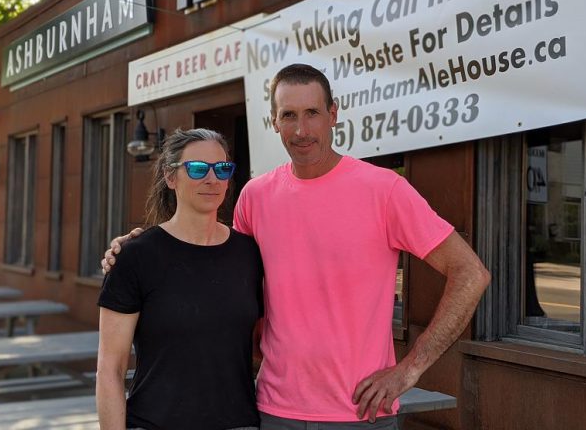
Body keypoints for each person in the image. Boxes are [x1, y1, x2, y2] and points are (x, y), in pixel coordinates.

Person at [102, 64, 491, 429]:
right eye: (289, 115)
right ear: (274, 121)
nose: (301, 129)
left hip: (359, 413)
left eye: (312, 113)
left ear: (333, 114)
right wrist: (138, 246)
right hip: (273, 411)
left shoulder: (384, 190)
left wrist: (410, 369)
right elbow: (216, 264)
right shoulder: (256, 196)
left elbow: (471, 273)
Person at [96, 128, 264, 430]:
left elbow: (262, 347)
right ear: (171, 177)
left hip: (238, 423)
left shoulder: (249, 253)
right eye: (198, 169)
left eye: (222, 169)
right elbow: (110, 369)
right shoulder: (135, 257)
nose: (212, 179)